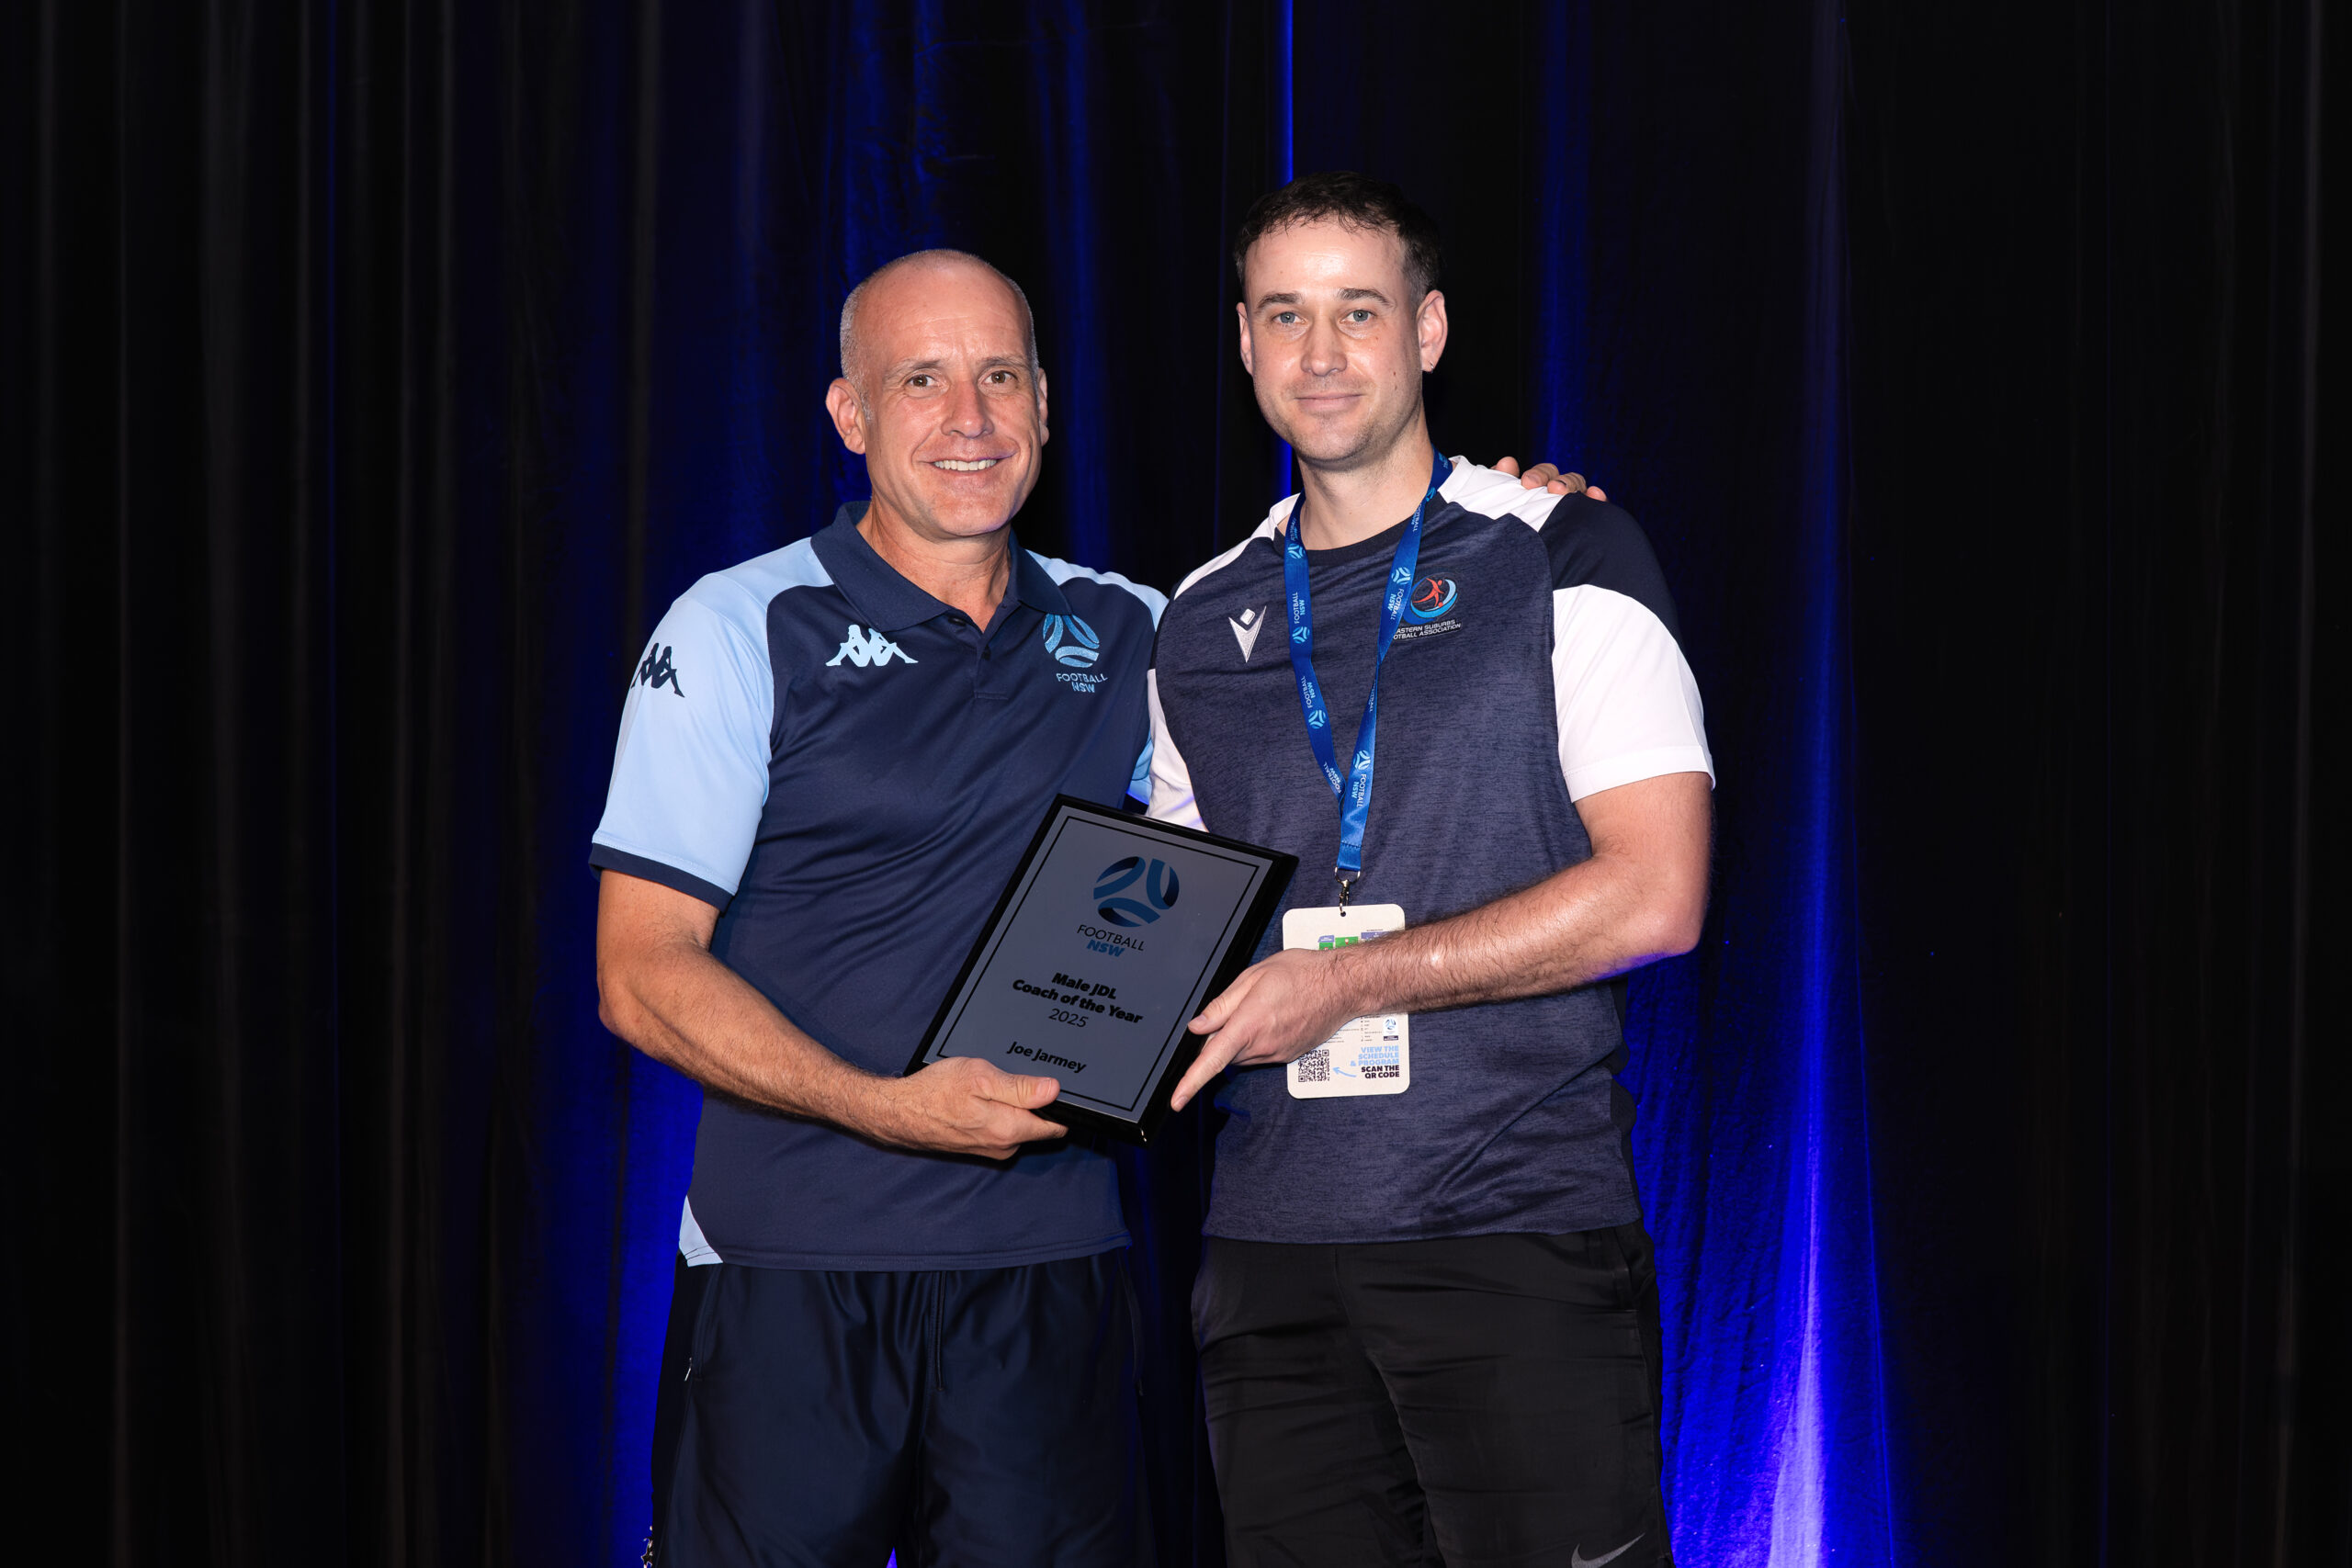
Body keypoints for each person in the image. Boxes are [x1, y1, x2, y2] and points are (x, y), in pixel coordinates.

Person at [592, 244, 1589, 1566]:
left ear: (1048, 406)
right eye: (923, 381)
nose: (970, 420)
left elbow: (1351, 648)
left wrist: (1506, 520)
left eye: (1001, 377)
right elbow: (642, 972)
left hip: (1051, 1278)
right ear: (849, 414)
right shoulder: (737, 628)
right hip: (789, 1275)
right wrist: (886, 1108)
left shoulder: (1139, 632)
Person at [1146, 172, 1714, 1567]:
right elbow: (1165, 917)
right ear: (1244, 344)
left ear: (1431, 331)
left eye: (1360, 311)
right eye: (1286, 315)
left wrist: (1340, 984)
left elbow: (1657, 893)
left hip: (1513, 1234)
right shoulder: (1198, 620)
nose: (1323, 354)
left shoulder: (1566, 551)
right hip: (1270, 1259)